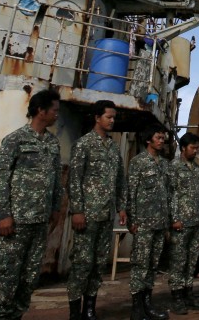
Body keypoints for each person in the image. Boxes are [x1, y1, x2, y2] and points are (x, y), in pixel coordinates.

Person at [0, 89, 63, 320]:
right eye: (55, 110)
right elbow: (0, 180)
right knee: (8, 275)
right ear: (41, 110)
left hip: (40, 221)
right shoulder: (15, 140)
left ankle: (16, 316)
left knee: (29, 278)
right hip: (17, 221)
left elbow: (57, 180)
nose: (57, 115)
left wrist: (56, 208)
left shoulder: (52, 143)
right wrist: (4, 215)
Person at [67, 100, 127, 320]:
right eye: (108, 117)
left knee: (98, 264)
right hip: (87, 215)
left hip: (106, 215)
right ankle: (75, 312)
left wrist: (121, 206)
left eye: (114, 117)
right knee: (82, 264)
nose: (112, 121)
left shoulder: (112, 147)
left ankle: (89, 309)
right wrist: (77, 210)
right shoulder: (83, 145)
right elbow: (74, 179)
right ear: (97, 117)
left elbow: (120, 180)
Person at [124, 126, 172, 320]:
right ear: (148, 140)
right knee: (140, 265)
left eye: (163, 138)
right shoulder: (138, 163)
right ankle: (136, 308)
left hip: (160, 223)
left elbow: (168, 194)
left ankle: (147, 303)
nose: (161, 141)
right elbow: (131, 192)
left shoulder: (164, 164)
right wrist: (132, 219)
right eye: (158, 137)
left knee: (152, 265)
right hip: (143, 223)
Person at [167, 132, 199, 314]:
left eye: (197, 148)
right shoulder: (174, 168)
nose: (196, 151)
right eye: (193, 148)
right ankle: (177, 297)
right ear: (183, 148)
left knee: (191, 260)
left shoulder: (197, 170)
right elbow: (171, 195)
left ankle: (188, 293)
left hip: (194, 222)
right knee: (178, 260)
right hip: (180, 222)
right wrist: (174, 219)